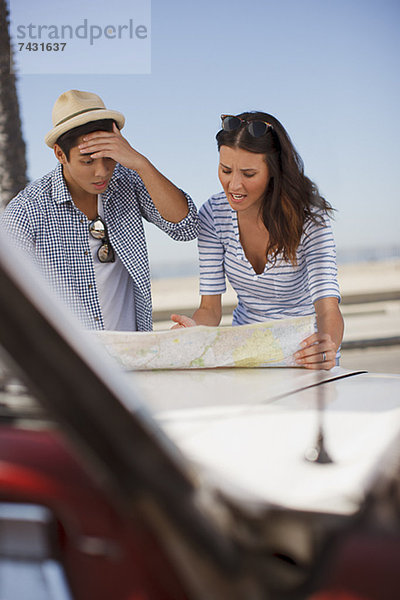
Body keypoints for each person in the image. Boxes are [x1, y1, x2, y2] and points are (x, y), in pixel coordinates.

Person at [1, 89, 199, 331]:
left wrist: (141, 164)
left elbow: (186, 228)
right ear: (60, 154)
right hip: (71, 362)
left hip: (134, 355)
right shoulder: (27, 211)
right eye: (88, 161)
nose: (102, 171)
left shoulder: (128, 179)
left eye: (109, 157)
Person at [171, 112, 344, 370]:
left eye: (249, 174)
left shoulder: (310, 217)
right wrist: (194, 331)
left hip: (307, 356)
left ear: (273, 171)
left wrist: (327, 346)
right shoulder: (213, 214)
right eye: (226, 170)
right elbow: (210, 309)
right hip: (246, 356)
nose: (234, 185)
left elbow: (328, 308)